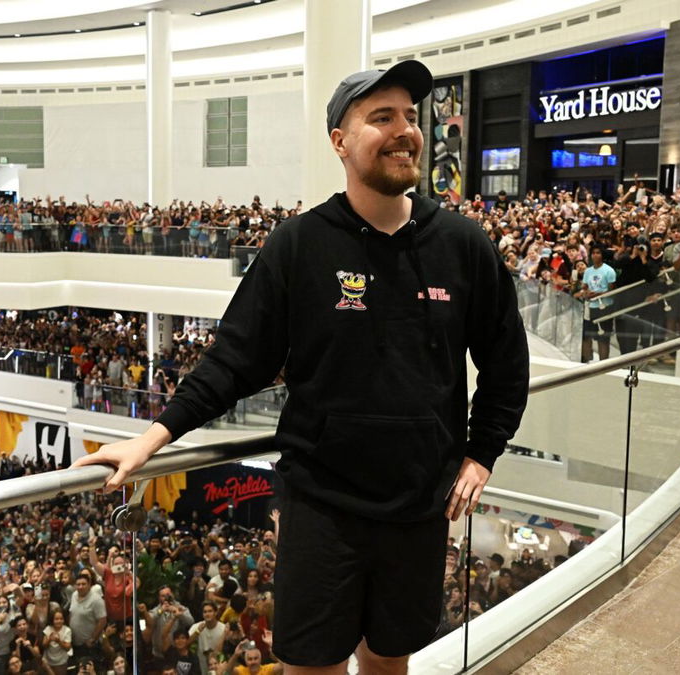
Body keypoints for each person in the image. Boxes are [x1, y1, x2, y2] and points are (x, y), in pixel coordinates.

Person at [73, 59, 528, 674]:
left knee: (390, 660)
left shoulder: (462, 245)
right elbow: (235, 360)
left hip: (421, 507)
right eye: (382, 117)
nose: (405, 131)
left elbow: (506, 361)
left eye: (412, 118)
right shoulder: (299, 245)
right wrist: (153, 438)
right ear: (340, 142)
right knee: (312, 666)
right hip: (322, 509)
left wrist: (483, 451)